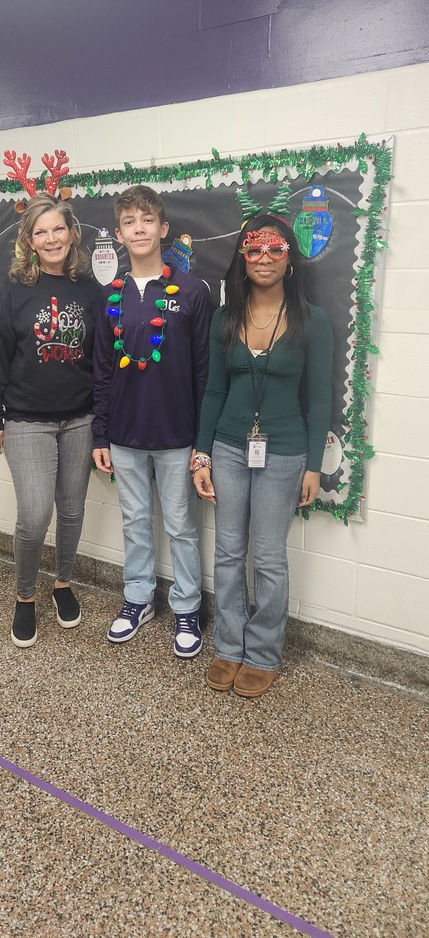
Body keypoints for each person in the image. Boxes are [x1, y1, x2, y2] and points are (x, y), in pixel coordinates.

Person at [192, 213, 333, 697]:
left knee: (269, 558)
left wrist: (314, 465)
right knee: (229, 552)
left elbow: (319, 401)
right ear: (242, 258)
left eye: (275, 249)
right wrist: (202, 456)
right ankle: (229, 647)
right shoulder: (223, 318)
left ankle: (264, 654)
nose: (265, 258)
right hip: (229, 449)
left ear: (289, 258)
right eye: (254, 249)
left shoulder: (313, 321)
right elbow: (212, 392)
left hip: (286, 453)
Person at [0, 193, 103, 648]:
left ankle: (63, 583)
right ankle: (25, 595)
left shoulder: (89, 289)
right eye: (41, 231)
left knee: (71, 509)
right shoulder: (15, 290)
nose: (51, 238)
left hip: (80, 419)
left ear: (72, 234)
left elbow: (102, 359)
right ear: (29, 240)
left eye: (58, 229)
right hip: (27, 420)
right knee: (34, 515)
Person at [92, 185, 212, 659]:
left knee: (181, 525)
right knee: (135, 521)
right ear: (119, 234)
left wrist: (202, 442)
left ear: (162, 229)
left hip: (176, 435)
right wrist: (100, 433)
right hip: (124, 435)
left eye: (147, 220)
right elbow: (102, 371)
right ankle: (138, 597)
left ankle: (187, 606)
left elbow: (205, 371)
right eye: (128, 222)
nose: (138, 229)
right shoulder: (111, 296)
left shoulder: (192, 290)